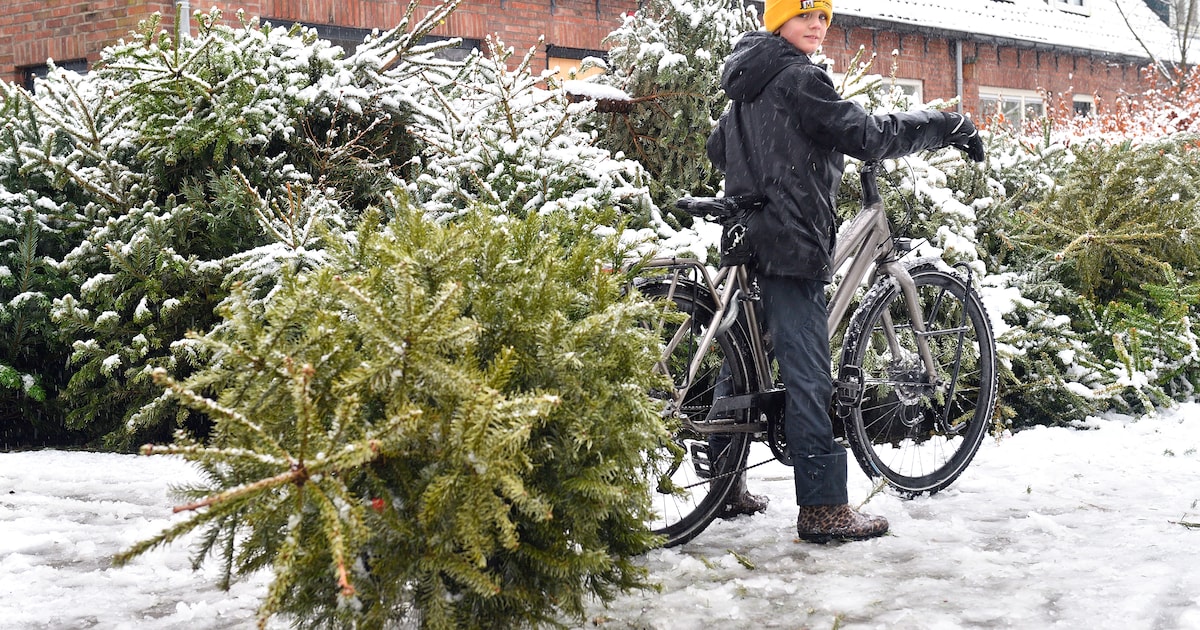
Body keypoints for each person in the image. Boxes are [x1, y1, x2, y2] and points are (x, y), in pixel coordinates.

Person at [706, 0, 984, 542]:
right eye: (804, 15)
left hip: (753, 232)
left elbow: (721, 150)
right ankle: (823, 507)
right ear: (777, 22)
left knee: (747, 354)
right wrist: (945, 124)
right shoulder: (798, 78)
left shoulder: (749, 81)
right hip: (791, 239)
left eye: (824, 18)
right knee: (809, 373)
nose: (817, 26)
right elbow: (868, 135)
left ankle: (725, 482)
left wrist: (776, 165)